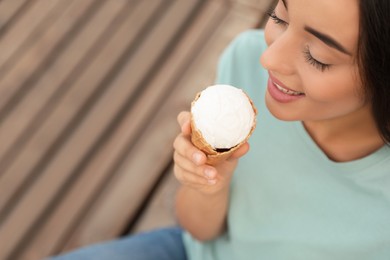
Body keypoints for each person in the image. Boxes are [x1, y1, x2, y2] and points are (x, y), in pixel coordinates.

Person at [50, 0, 390, 259]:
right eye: (280, 19)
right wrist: (208, 184)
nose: (269, 59)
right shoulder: (245, 62)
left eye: (317, 57)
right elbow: (198, 230)